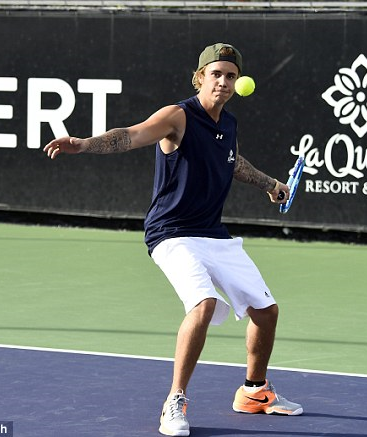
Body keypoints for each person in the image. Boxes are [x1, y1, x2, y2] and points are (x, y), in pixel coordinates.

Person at [43, 42, 303, 437]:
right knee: (204, 304)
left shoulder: (228, 124)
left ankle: (254, 391)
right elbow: (129, 136)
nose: (223, 82)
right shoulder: (177, 116)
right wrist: (83, 144)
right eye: (216, 74)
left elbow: (233, 162)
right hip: (171, 232)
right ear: (200, 78)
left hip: (212, 233)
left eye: (230, 76)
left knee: (266, 311)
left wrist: (270, 184)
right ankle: (175, 400)